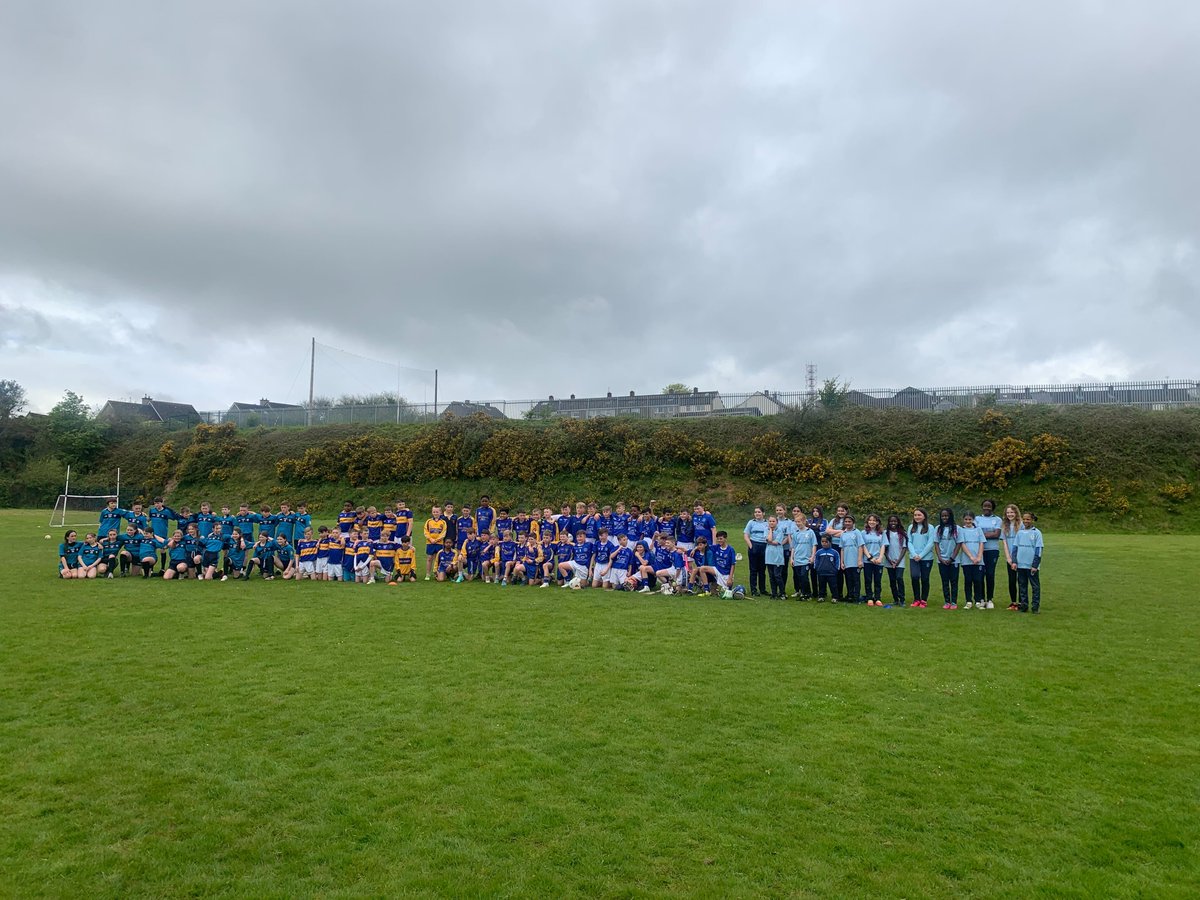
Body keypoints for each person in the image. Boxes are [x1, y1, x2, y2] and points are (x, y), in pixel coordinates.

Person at [1012, 512, 1044, 613]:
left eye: (1028, 519)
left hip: (1031, 566)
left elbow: (1038, 550)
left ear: (1032, 520)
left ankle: (1035, 607)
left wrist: (1035, 565)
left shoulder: (1036, 533)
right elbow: (1015, 548)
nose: (1026, 521)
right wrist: (1014, 561)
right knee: (1022, 586)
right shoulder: (1020, 533)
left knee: (1035, 586)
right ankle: (1024, 605)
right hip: (1020, 565)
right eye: (1024, 519)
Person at [976, 499, 1003, 608]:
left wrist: (982, 534)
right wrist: (988, 534)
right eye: (985, 506)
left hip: (992, 550)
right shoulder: (977, 519)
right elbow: (975, 534)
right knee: (980, 574)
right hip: (979, 550)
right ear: (982, 507)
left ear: (992, 508)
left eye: (989, 506)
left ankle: (990, 599)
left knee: (990, 574)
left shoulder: (997, 520)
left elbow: (996, 534)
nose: (987, 508)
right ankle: (981, 599)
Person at [956, 512, 986, 609]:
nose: (968, 521)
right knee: (968, 580)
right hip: (966, 560)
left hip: (978, 561)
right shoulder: (961, 530)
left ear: (973, 520)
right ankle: (968, 601)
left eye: (970, 519)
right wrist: (971, 557)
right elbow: (962, 544)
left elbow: (981, 543)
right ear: (963, 520)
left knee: (978, 580)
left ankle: (978, 601)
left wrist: (978, 557)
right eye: (966, 519)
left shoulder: (978, 529)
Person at [935, 508, 961, 609]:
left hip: (954, 560)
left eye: (946, 516)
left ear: (950, 516)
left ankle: (954, 602)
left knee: (954, 581)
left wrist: (952, 558)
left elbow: (959, 544)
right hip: (942, 560)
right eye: (943, 516)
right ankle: (947, 602)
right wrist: (940, 558)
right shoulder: (938, 528)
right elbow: (936, 544)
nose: (944, 518)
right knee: (944, 581)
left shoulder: (956, 528)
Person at [907, 508, 934, 608]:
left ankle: (924, 600)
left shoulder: (930, 528)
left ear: (924, 516)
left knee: (925, 578)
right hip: (913, 557)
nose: (917, 517)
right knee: (914, 577)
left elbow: (930, 543)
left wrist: (921, 555)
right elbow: (909, 541)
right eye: (915, 515)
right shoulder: (911, 527)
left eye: (919, 515)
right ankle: (916, 599)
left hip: (926, 558)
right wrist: (914, 554)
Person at [788, 510, 815, 600]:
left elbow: (814, 545)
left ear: (804, 521)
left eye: (799, 521)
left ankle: (808, 594)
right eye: (796, 522)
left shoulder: (810, 532)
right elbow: (793, 547)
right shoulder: (795, 533)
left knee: (804, 576)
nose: (797, 523)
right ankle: (803, 594)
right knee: (799, 577)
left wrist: (812, 556)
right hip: (797, 559)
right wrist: (791, 558)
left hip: (806, 559)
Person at [742, 507, 769, 596]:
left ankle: (762, 589)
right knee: (753, 570)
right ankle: (754, 590)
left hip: (764, 546)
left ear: (763, 513)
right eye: (755, 512)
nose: (757, 514)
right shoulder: (751, 522)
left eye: (759, 512)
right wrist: (751, 546)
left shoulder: (767, 523)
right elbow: (746, 535)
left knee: (762, 570)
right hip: (754, 545)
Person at [1001, 503, 1023, 610]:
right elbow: (1004, 542)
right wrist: (1008, 558)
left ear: (1016, 513)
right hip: (1010, 558)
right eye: (1008, 512)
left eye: (1012, 512)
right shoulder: (1004, 526)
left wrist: (1017, 558)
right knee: (1012, 580)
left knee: (1021, 580)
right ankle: (1013, 602)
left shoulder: (1021, 525)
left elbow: (1022, 542)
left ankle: (1021, 602)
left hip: (1020, 557)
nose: (1010, 514)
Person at [861, 514, 886, 606]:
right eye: (870, 520)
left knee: (877, 580)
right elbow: (863, 546)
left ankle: (878, 598)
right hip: (868, 560)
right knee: (868, 579)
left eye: (874, 520)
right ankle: (869, 597)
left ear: (877, 522)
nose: (872, 522)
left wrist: (880, 558)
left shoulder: (882, 533)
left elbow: (883, 545)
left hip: (878, 561)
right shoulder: (863, 533)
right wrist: (870, 557)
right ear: (867, 522)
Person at [839, 515, 865, 603]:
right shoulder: (843, 534)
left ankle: (856, 597)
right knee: (848, 579)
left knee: (856, 580)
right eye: (846, 522)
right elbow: (842, 548)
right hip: (847, 561)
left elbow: (860, 546)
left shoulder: (857, 532)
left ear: (853, 523)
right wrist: (842, 562)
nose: (847, 523)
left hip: (855, 561)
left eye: (849, 521)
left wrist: (859, 560)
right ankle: (850, 596)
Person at [883, 514, 908, 606]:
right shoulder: (885, 533)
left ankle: (902, 599)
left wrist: (897, 561)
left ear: (898, 522)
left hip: (899, 561)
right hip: (889, 561)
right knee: (892, 580)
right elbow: (884, 548)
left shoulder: (902, 533)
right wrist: (890, 560)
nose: (893, 523)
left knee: (899, 578)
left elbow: (904, 548)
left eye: (895, 521)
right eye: (891, 521)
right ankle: (895, 599)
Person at [764, 515, 787, 599]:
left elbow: (776, 542)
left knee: (777, 575)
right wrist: (770, 530)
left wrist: (770, 541)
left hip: (777, 556)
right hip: (769, 556)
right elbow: (768, 539)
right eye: (770, 521)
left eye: (773, 521)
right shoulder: (766, 530)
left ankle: (782, 592)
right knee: (771, 576)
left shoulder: (780, 530)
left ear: (777, 522)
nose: (771, 523)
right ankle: (774, 593)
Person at [423, 506, 448, 580]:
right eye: (434, 512)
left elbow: (443, 533)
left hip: (439, 543)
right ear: (432, 512)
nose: (435, 513)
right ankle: (428, 574)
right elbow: (425, 532)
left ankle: (437, 572)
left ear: (440, 512)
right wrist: (430, 539)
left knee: (438, 559)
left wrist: (436, 540)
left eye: (437, 512)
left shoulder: (443, 522)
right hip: (430, 543)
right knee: (429, 558)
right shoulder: (428, 521)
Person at [813, 536, 840, 602]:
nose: (824, 543)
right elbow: (816, 560)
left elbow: (837, 561)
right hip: (821, 572)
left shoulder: (834, 552)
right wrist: (817, 568)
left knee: (833, 586)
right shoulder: (819, 552)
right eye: (822, 542)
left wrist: (836, 569)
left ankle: (835, 597)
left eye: (826, 542)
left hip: (831, 573)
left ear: (830, 542)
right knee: (821, 585)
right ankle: (821, 596)